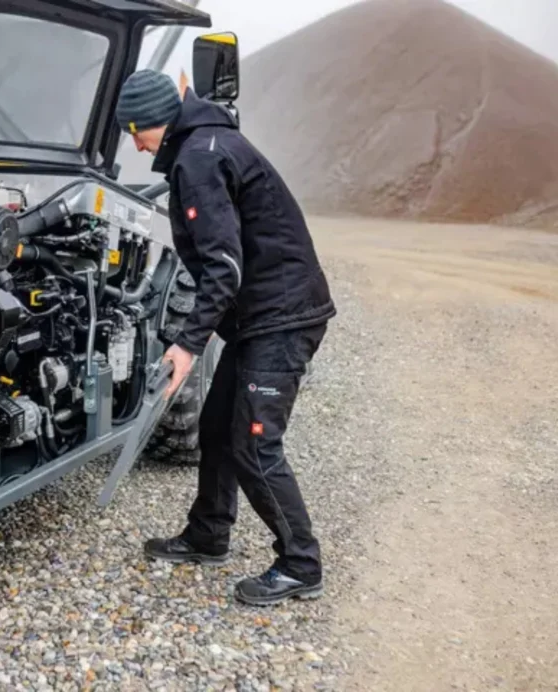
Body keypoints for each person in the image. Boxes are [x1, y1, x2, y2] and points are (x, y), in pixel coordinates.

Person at [115, 69, 336, 606]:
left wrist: (188, 345)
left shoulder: (199, 157)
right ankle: (209, 533)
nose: (133, 142)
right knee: (216, 428)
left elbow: (223, 266)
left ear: (151, 122)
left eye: (133, 130)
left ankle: (300, 563)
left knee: (255, 444)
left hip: (282, 317)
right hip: (258, 318)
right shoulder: (206, 143)